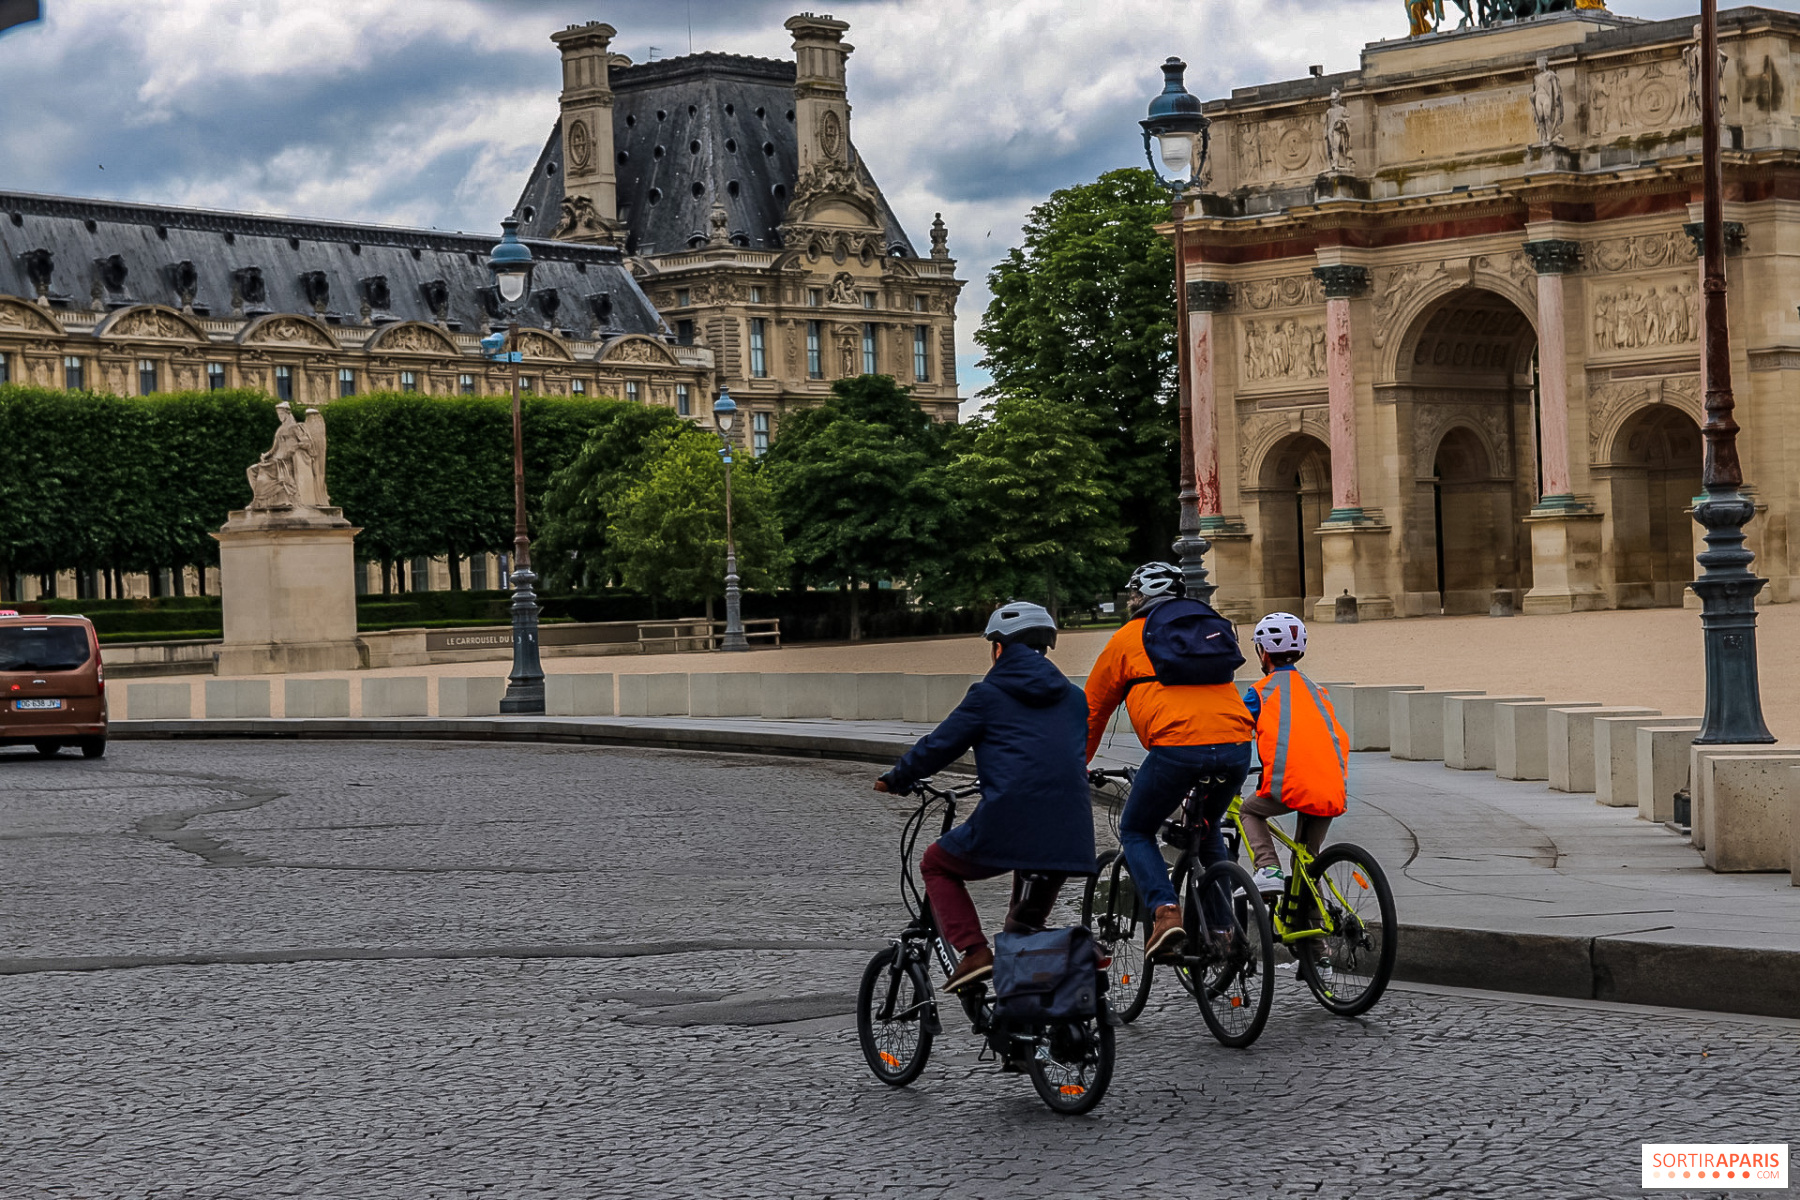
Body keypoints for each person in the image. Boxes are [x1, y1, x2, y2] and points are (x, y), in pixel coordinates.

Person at [876, 602, 1096, 992]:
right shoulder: (1076, 698)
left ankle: (974, 951)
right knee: (1023, 926)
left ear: (999, 648)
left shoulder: (988, 694)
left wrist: (897, 777)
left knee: (936, 864)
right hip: (1071, 830)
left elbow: (939, 746)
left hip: (1011, 819)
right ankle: (1030, 1031)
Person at [1085, 562, 1254, 960]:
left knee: (1136, 828)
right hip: (1235, 745)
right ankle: (1225, 932)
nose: (1129, 601)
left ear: (1140, 596)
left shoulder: (1127, 638)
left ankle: (1164, 913)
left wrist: (1078, 762)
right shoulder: (1206, 630)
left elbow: (1092, 712)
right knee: (1208, 831)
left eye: (1131, 594)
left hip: (1178, 748)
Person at [1241, 612, 1349, 897]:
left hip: (1291, 785)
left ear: (1263, 652)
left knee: (1248, 810)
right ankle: (1315, 939)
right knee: (1308, 862)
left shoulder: (1260, 692)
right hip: (1331, 786)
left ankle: (1268, 869)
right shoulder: (1317, 691)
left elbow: (1233, 730)